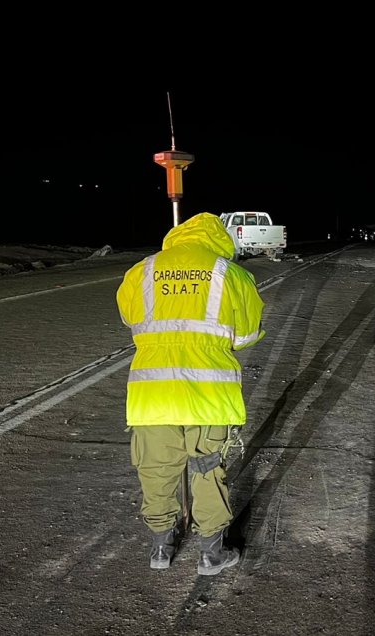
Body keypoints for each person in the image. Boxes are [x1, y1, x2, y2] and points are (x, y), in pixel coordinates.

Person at [116, 212, 266, 575]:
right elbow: (246, 335)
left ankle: (160, 549)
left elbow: (131, 319)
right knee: (207, 467)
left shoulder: (142, 270)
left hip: (152, 392)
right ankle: (211, 554)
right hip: (208, 393)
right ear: (218, 239)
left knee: (155, 469)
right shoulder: (232, 274)